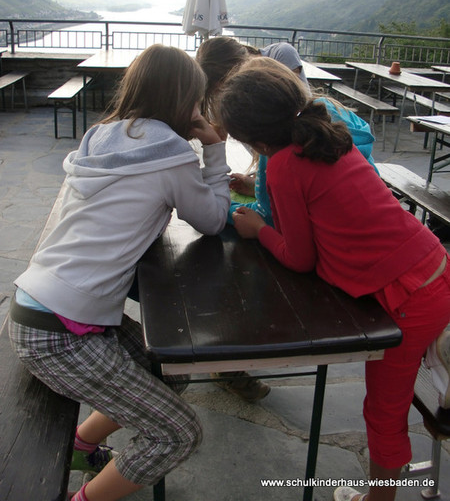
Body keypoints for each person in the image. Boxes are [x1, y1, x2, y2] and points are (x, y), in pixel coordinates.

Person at [218, 56, 450, 501]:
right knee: (400, 391)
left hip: (409, 296)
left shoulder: (282, 164)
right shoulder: (330, 135)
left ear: (256, 141)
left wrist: (258, 230)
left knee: (383, 412)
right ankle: (441, 355)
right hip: (433, 264)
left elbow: (299, 258)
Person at [8, 45, 231, 501]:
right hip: (59, 335)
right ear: (185, 99)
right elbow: (212, 220)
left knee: (171, 369)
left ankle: (81, 446)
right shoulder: (172, 155)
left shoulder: (101, 135)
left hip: (37, 305)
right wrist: (214, 148)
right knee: (178, 434)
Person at [197, 36, 378, 229]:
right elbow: (318, 190)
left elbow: (270, 217)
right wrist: (257, 187)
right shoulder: (323, 111)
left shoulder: (276, 141)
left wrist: (220, 207)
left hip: (338, 241)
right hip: (377, 222)